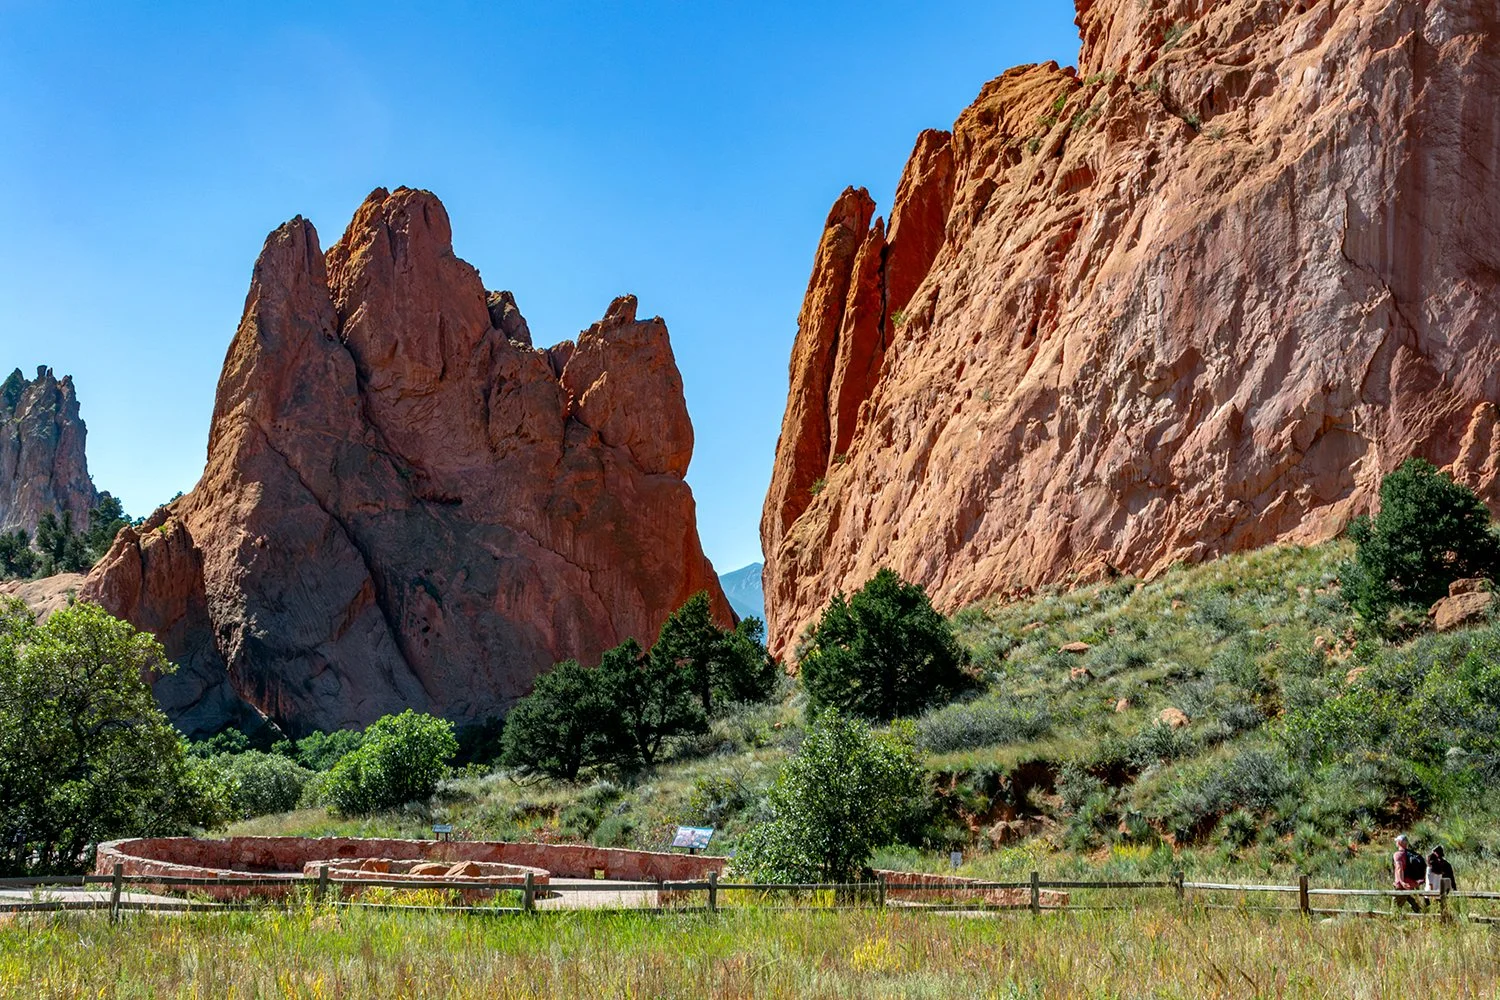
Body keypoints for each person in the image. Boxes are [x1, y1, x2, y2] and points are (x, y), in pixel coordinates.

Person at [1393, 834, 1426, 913]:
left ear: (1400, 842)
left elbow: (1399, 868)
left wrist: (1402, 882)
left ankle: (1392, 923)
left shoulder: (1398, 854)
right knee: (1413, 903)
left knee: (1395, 908)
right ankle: (1421, 915)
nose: (1396, 842)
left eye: (1397, 841)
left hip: (1402, 885)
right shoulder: (1412, 854)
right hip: (1412, 884)